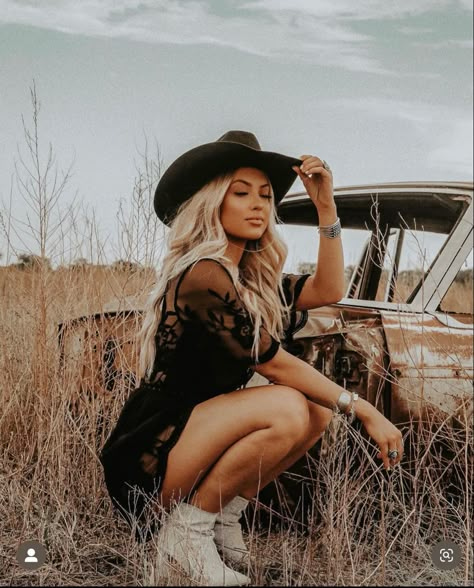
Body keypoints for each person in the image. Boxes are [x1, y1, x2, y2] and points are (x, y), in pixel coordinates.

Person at [99, 130, 404, 586]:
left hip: (196, 438)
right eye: (241, 193)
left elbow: (329, 290)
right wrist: (362, 408)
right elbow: (273, 362)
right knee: (285, 403)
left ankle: (219, 517)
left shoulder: (249, 279)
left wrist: (327, 211)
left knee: (315, 408)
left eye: (265, 194)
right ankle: (184, 537)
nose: (259, 204)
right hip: (153, 452)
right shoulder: (203, 276)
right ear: (213, 203)